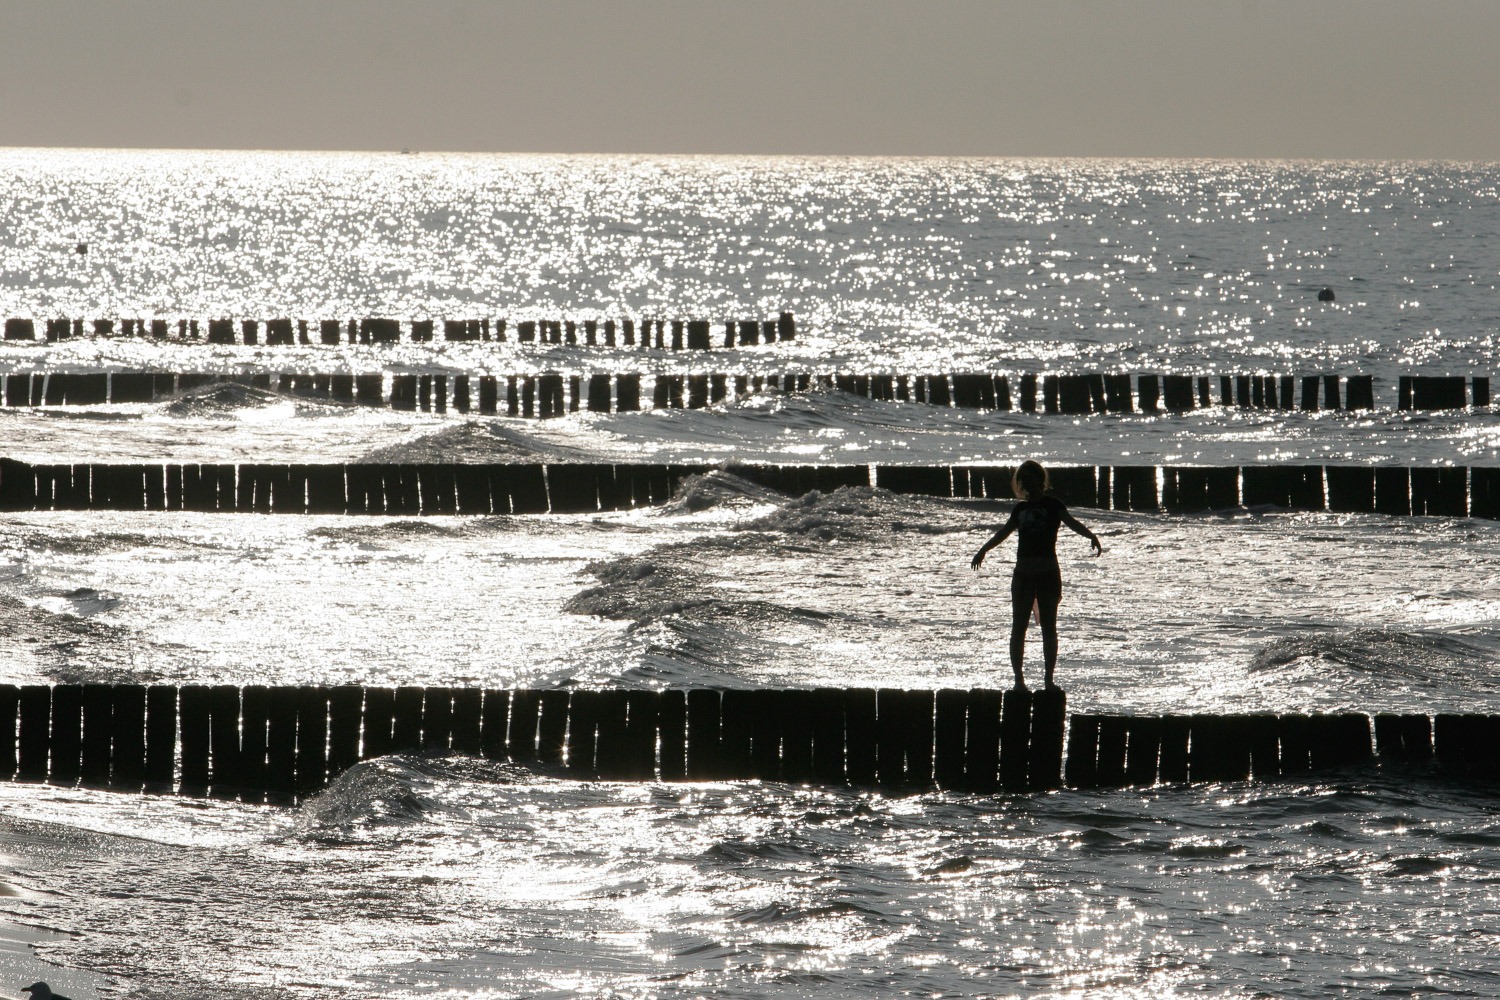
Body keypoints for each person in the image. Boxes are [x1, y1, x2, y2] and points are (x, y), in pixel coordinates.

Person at [970, 460, 1102, 691]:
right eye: (1022, 480)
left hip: (1048, 574)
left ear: (1039, 479)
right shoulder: (1020, 509)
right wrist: (984, 549)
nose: (1026, 483)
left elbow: (1071, 522)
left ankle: (1048, 680)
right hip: (1023, 574)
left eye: (1030, 478)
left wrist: (1091, 536)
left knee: (1049, 628)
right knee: (1018, 628)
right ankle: (1018, 680)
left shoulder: (1053, 505)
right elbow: (1003, 533)